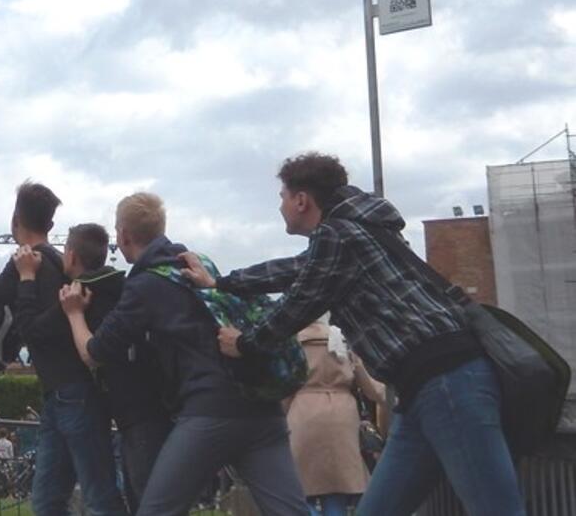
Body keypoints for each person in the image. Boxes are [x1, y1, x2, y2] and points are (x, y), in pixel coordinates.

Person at [180, 152, 526, 516]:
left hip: (446, 381)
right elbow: (296, 270)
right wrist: (220, 281)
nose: (280, 206)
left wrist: (245, 344)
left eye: (282, 197)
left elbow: (299, 303)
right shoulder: (353, 231)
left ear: (301, 200)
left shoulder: (338, 234)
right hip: (423, 389)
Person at [60, 192, 307, 516]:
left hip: (210, 411)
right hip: (262, 405)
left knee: (157, 510)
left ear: (123, 236)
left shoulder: (145, 285)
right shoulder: (197, 262)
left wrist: (75, 314)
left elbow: (95, 353)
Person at [0, 182, 126, 516]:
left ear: (15, 219)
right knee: (75, 497)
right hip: (71, 393)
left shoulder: (26, 265)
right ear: (50, 225)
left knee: (70, 499)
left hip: (66, 394)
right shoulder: (60, 264)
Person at [25, 222, 168, 511]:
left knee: (94, 495)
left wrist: (27, 278)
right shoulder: (121, 287)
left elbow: (32, 330)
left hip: (97, 401)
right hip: (134, 403)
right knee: (108, 494)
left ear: (72, 256)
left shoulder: (82, 292)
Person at [286, 318, 386, 516]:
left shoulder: (292, 342)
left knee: (303, 487)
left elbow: (285, 387)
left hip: (302, 413)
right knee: (337, 488)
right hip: (343, 416)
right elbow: (371, 388)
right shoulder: (342, 338)